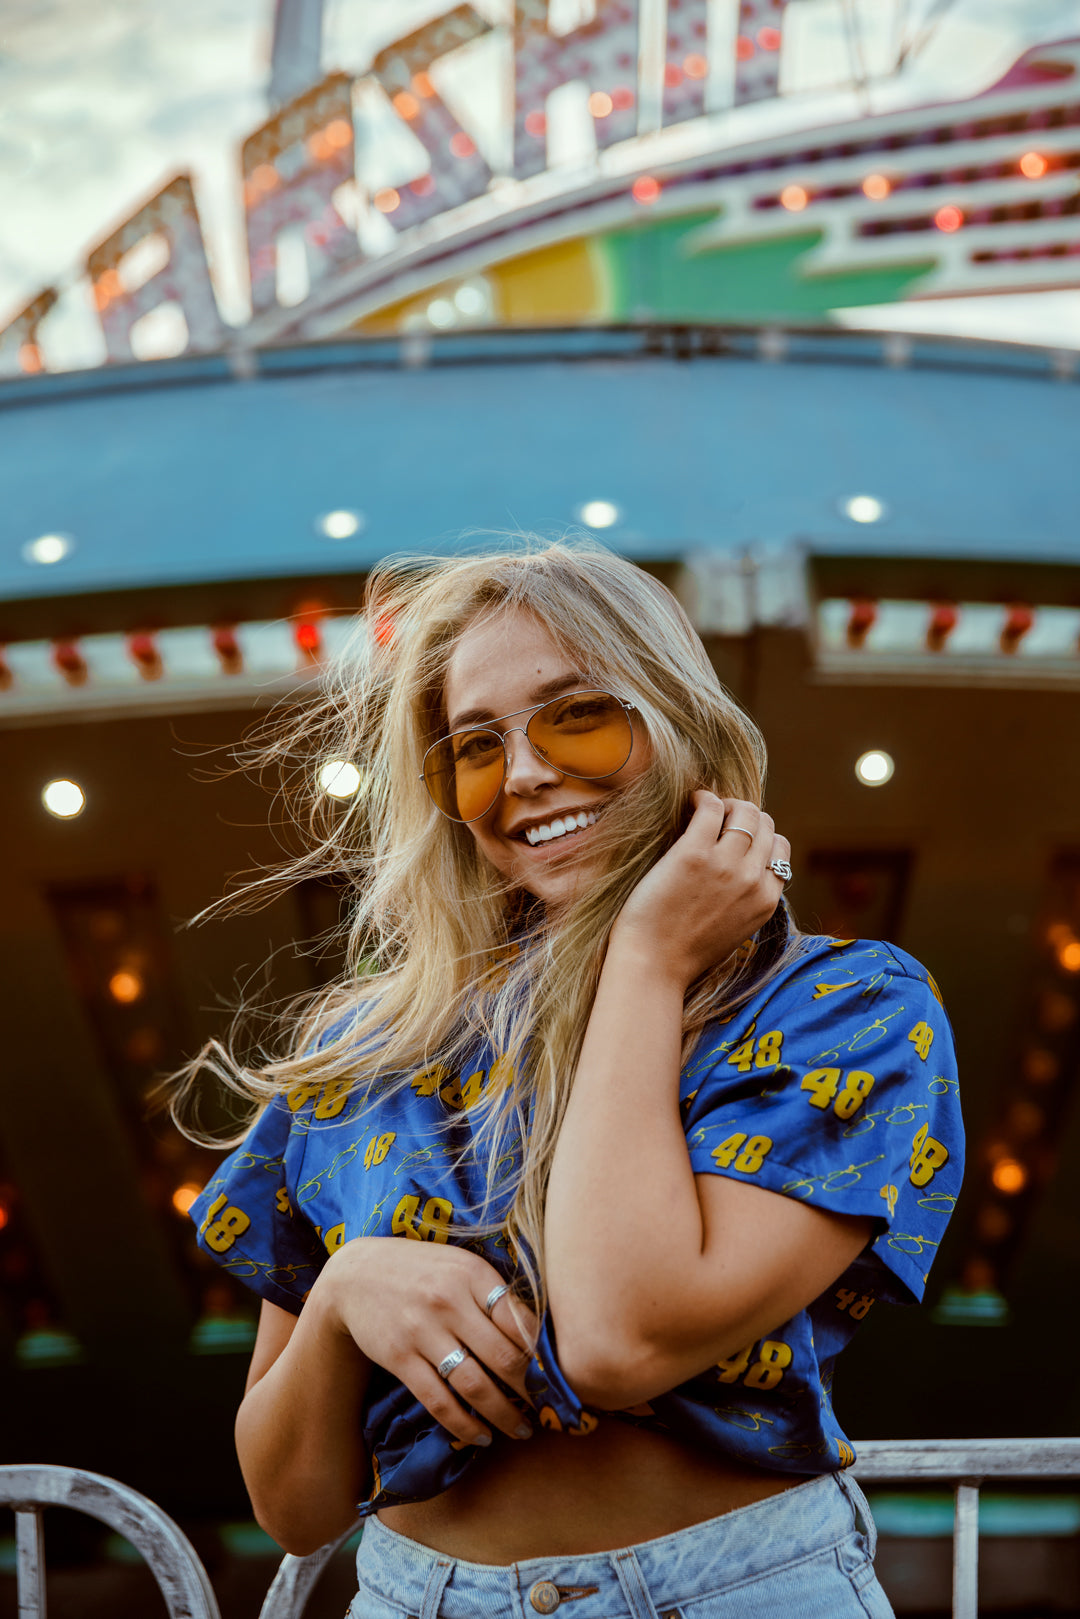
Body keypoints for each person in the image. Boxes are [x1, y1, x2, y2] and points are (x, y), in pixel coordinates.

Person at [184, 539, 962, 1619]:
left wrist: (645, 957)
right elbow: (293, 1505)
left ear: (678, 716)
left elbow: (615, 1340)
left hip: (743, 1589)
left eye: (577, 713)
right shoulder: (370, 1043)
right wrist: (344, 1296)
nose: (528, 771)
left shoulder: (845, 1010)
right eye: (476, 743)